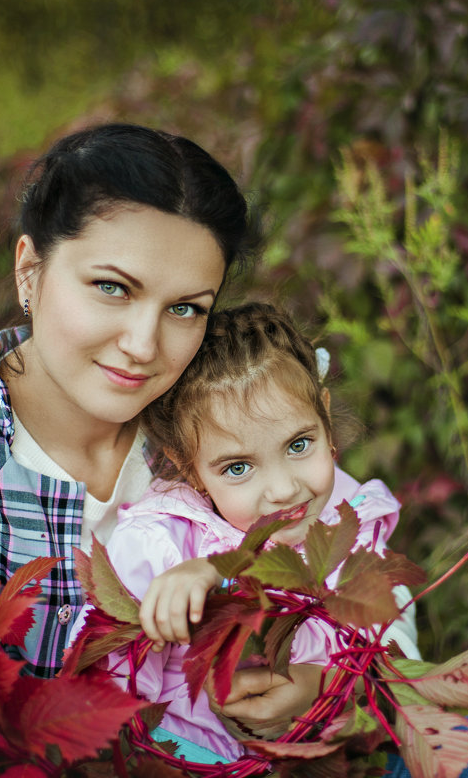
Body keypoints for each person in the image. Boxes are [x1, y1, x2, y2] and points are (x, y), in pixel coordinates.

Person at [0, 121, 468, 775]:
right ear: (30, 270)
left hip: (298, 748)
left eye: (185, 307)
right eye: (111, 288)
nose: (143, 345)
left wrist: (321, 684)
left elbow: (347, 546)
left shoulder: (201, 409)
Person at [73, 302, 420, 763]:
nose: (283, 490)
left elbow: (396, 647)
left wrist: (334, 686)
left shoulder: (350, 518)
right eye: (238, 467)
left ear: (325, 414)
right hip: (195, 764)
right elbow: (104, 687)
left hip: (332, 755)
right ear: (187, 466)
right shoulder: (161, 545)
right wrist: (185, 593)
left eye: (299, 444)